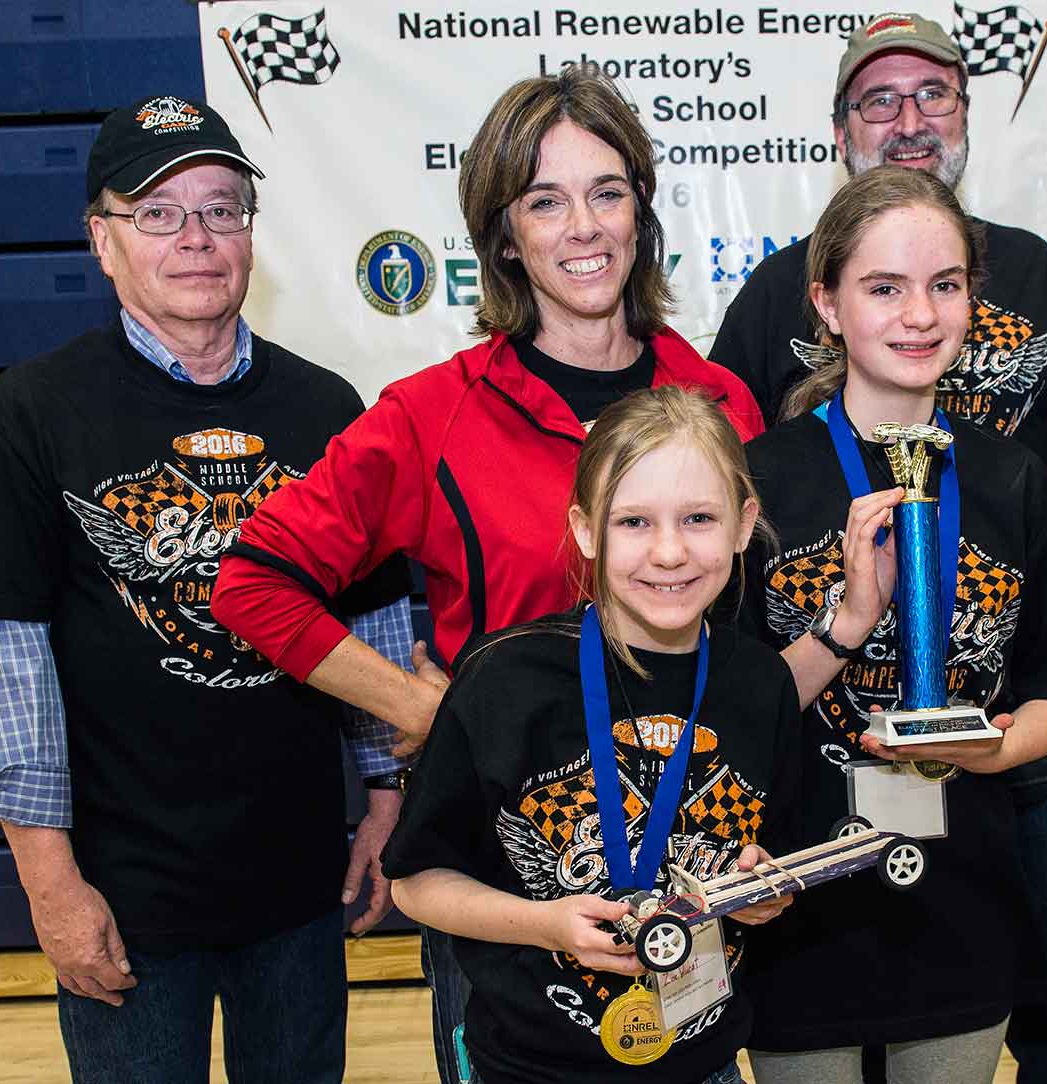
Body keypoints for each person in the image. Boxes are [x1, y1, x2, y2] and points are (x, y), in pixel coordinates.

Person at [210, 67, 763, 1084]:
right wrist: (423, 701)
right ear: (505, 236)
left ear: (641, 206)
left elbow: (753, 646)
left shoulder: (722, 402)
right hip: (506, 885)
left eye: (606, 190)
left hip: (686, 877)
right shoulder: (432, 415)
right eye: (544, 200)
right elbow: (251, 581)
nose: (583, 225)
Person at [712, 16, 1047, 1078]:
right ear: (827, 304)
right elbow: (729, 706)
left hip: (968, 882)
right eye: (885, 288)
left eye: (945, 286)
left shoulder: (1015, 478)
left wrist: (982, 744)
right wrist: (844, 624)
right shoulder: (759, 478)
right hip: (802, 883)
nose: (919, 312)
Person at [0, 95, 414, 1082]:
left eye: (222, 209)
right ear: (102, 240)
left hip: (296, 883)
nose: (196, 238)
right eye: (159, 212)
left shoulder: (325, 407)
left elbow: (377, 619)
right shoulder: (30, 412)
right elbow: (8, 657)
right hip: (126, 892)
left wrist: (391, 793)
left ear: (252, 236)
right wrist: (49, 886)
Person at [381, 386, 800, 1084]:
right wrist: (544, 924)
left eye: (699, 517)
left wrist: (761, 892)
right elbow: (416, 885)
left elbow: (773, 857)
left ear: (742, 523)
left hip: (703, 1062)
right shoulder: (506, 678)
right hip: (529, 1067)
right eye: (633, 521)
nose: (669, 552)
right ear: (584, 529)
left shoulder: (760, 683)